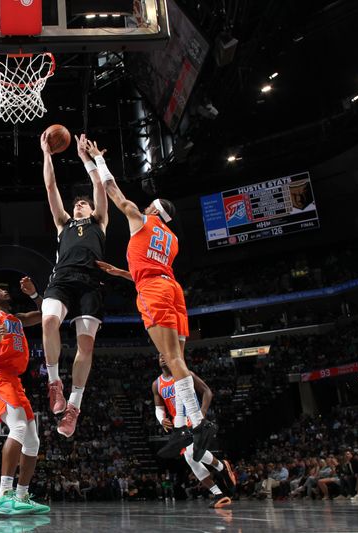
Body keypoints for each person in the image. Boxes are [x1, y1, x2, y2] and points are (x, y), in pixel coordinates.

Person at [87, 137, 216, 462]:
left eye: (149, 206)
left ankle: (199, 425)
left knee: (171, 360)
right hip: (172, 290)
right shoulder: (171, 239)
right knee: (179, 362)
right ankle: (185, 427)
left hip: (155, 293)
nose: (143, 206)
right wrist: (119, 272)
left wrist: (96, 161)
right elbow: (152, 270)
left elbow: (113, 190)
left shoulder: (141, 219)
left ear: (154, 210)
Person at [39, 131, 109, 438]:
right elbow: (50, 186)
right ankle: (55, 384)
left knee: (86, 346)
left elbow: (98, 185)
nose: (80, 205)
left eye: (84, 203)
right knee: (49, 321)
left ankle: (74, 408)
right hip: (62, 280)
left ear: (92, 209)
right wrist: (47, 155)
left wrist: (87, 158)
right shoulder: (63, 223)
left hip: (91, 284)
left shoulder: (100, 221)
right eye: (77, 203)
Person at [0, 277, 50, 515]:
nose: (3, 290)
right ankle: (3, 494)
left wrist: (35, 294)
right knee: (17, 428)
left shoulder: (17, 319)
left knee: (33, 441)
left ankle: (22, 495)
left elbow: (47, 314)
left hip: (15, 380)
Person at [152, 354, 235, 508]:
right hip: (179, 425)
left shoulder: (186, 374)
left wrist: (201, 414)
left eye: (165, 354)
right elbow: (159, 409)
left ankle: (220, 473)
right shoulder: (156, 384)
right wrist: (161, 419)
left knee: (191, 454)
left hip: (193, 419)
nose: (163, 357)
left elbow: (207, 392)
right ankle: (219, 488)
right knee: (191, 460)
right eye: (160, 355)